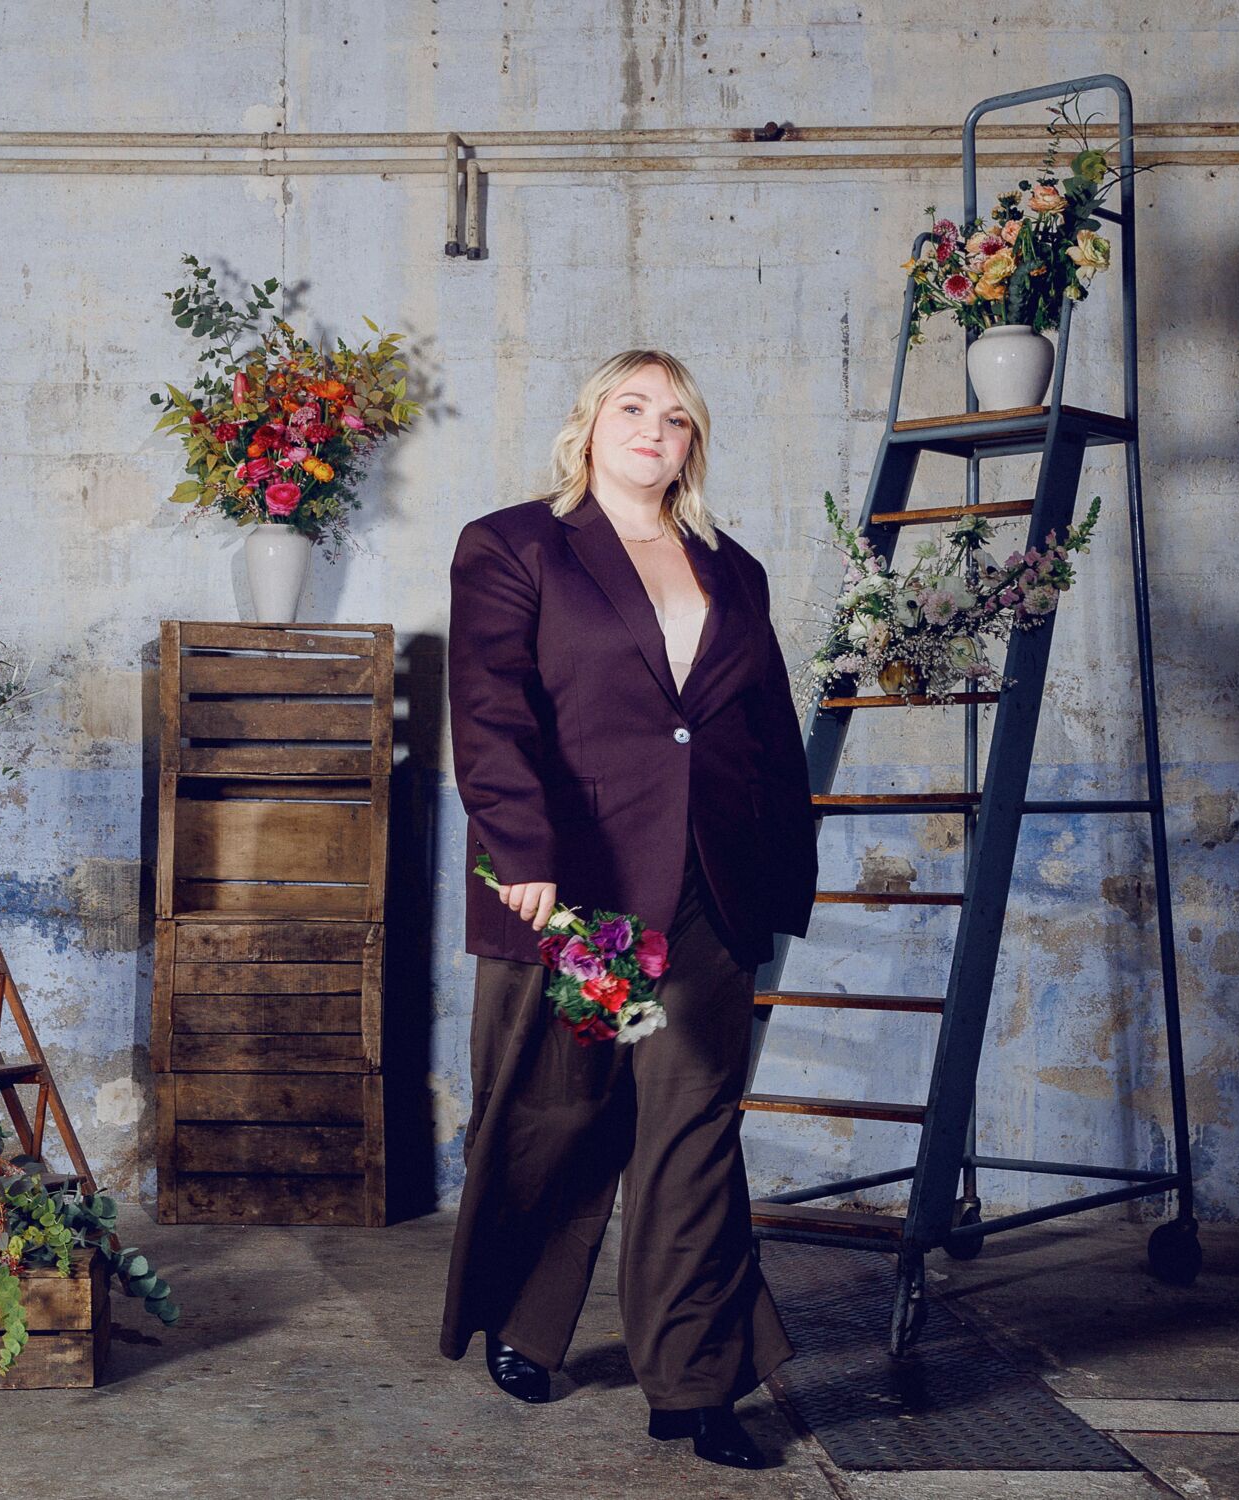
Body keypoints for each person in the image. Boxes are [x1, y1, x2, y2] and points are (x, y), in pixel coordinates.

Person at [438, 348, 818, 1470]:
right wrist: (522, 849)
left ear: (692, 444)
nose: (654, 428)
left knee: (693, 1128)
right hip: (576, 893)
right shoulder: (515, 545)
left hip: (705, 888)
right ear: (591, 424)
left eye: (677, 417)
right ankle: (525, 1317)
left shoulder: (729, 566)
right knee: (564, 1114)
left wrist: (785, 870)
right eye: (633, 407)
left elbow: (764, 730)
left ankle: (695, 1386)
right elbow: (490, 709)